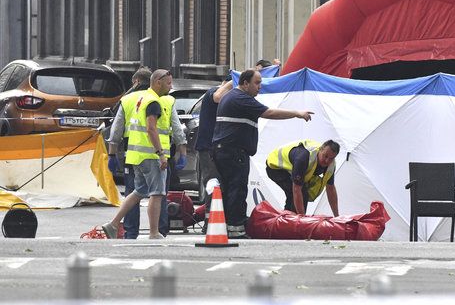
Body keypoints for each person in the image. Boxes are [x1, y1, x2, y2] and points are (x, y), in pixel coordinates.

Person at [212, 69, 313, 238]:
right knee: (237, 189)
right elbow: (269, 113)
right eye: (257, 83)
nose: (260, 87)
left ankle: (229, 225)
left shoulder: (232, 97)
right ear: (245, 84)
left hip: (226, 150)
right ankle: (236, 228)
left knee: (230, 189)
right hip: (233, 152)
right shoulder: (241, 98)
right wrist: (297, 113)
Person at [103, 69, 187, 239]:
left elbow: (116, 129)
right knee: (157, 193)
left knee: (138, 191)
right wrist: (162, 154)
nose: (171, 87)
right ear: (158, 82)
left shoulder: (134, 100)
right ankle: (154, 232)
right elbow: (151, 128)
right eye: (169, 83)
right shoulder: (155, 102)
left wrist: (112, 154)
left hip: (135, 155)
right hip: (152, 156)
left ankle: (113, 224)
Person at [194, 79, 234, 231]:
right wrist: (232, 82)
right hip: (208, 148)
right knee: (213, 185)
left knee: (220, 186)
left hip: (218, 148)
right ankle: (209, 223)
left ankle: (216, 220)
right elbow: (217, 96)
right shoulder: (214, 91)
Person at [266, 140, 340, 216]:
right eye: (325, 156)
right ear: (320, 150)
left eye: (331, 158)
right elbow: (296, 189)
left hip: (292, 169)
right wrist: (302, 218)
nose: (327, 161)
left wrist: (336, 216)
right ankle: (291, 221)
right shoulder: (304, 158)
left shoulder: (331, 166)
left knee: (298, 196)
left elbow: (330, 188)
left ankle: (287, 220)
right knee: (301, 193)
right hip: (275, 167)